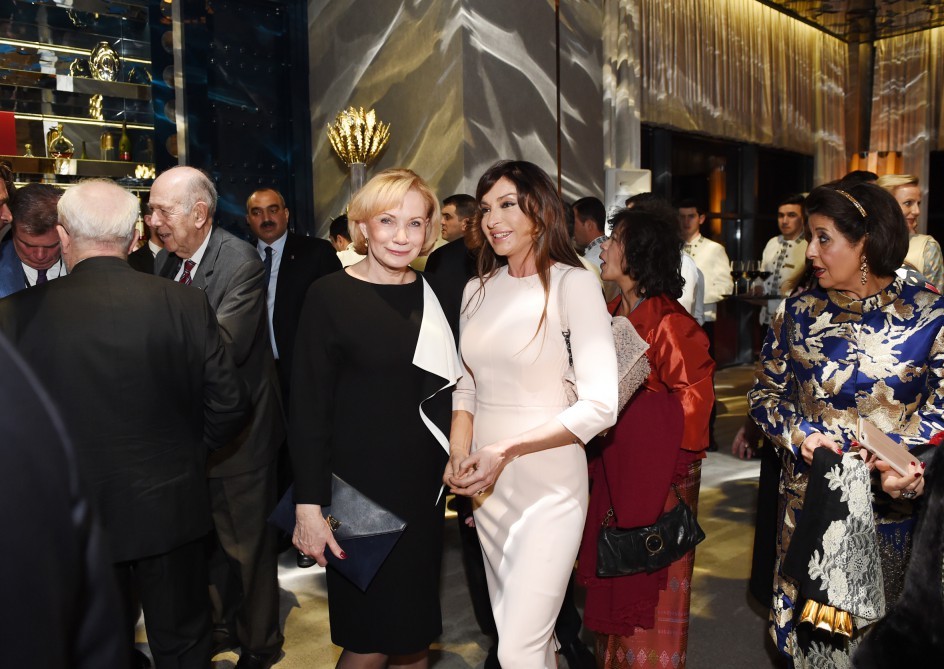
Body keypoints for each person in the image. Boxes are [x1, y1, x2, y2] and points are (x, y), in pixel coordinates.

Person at [0, 179, 249, 668]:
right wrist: (186, 454)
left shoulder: (13, 317)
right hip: (170, 506)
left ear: (64, 236)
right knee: (184, 644)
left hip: (74, 515)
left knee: (97, 648)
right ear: (135, 236)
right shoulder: (185, 303)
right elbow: (230, 404)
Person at [747, 181, 944, 665]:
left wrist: (907, 460)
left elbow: (941, 410)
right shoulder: (798, 313)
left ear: (866, 243)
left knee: (882, 648)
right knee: (811, 644)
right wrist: (798, 434)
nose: (810, 252)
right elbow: (765, 394)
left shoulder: (930, 315)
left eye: (824, 238)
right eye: (809, 238)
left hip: (893, 514)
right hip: (809, 509)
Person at [445, 160, 618, 668]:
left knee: (517, 647)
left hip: (549, 486)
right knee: (529, 641)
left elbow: (601, 405)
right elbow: (466, 385)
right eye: (485, 209)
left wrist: (504, 449)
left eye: (507, 205)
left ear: (540, 213)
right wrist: (459, 453)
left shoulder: (573, 284)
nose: (493, 220)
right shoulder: (476, 289)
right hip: (487, 490)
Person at [289, 168, 458, 669]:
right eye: (387, 221)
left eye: (415, 223)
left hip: (422, 494)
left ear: (429, 230)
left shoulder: (437, 295)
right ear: (362, 226)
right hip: (355, 496)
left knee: (413, 636)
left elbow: (455, 392)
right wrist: (308, 508)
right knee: (367, 641)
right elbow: (307, 411)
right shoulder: (328, 295)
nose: (402, 236)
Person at [150, 166, 285, 669]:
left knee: (247, 549)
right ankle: (221, 625)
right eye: (151, 210)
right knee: (206, 544)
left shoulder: (239, 261)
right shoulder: (165, 260)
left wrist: (150, 347)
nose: (153, 221)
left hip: (241, 435)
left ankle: (260, 643)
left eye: (162, 211)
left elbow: (225, 346)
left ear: (199, 214)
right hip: (191, 434)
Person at [577, 206, 714, 669]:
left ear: (637, 253)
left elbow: (695, 407)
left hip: (658, 480)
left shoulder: (670, 323)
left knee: (651, 591)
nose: (603, 248)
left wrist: (636, 428)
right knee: (614, 573)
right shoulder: (613, 311)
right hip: (615, 470)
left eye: (613, 239)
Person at [244, 186, 341, 400]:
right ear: (248, 219)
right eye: (257, 212)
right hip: (255, 378)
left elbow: (338, 314)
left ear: (286, 214)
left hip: (306, 375)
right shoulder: (240, 258)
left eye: (273, 210)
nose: (266, 219)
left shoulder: (317, 252)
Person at [876, 174, 944, 292]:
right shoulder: (860, 244)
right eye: (908, 203)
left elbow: (935, 299)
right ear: (884, 206)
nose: (917, 211)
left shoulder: (926, 248)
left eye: (918, 203)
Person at [0, 183, 66, 297]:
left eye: (51, 246)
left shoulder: (89, 271)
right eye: (28, 245)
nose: (40, 256)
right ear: (12, 230)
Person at [677, 198, 732, 324]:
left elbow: (726, 287)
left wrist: (695, 296)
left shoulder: (715, 249)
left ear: (701, 219)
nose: (686, 221)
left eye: (691, 216)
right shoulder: (672, 248)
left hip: (705, 318)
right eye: (682, 217)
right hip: (676, 317)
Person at [760, 194, 808, 324]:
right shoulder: (772, 242)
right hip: (767, 319)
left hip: (794, 320)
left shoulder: (808, 245)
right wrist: (757, 287)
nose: (784, 221)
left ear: (803, 218)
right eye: (781, 215)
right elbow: (762, 274)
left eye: (791, 215)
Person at [572, 196, 607, 272]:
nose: (572, 229)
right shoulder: (608, 250)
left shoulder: (591, 260)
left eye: (574, 223)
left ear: (589, 225)